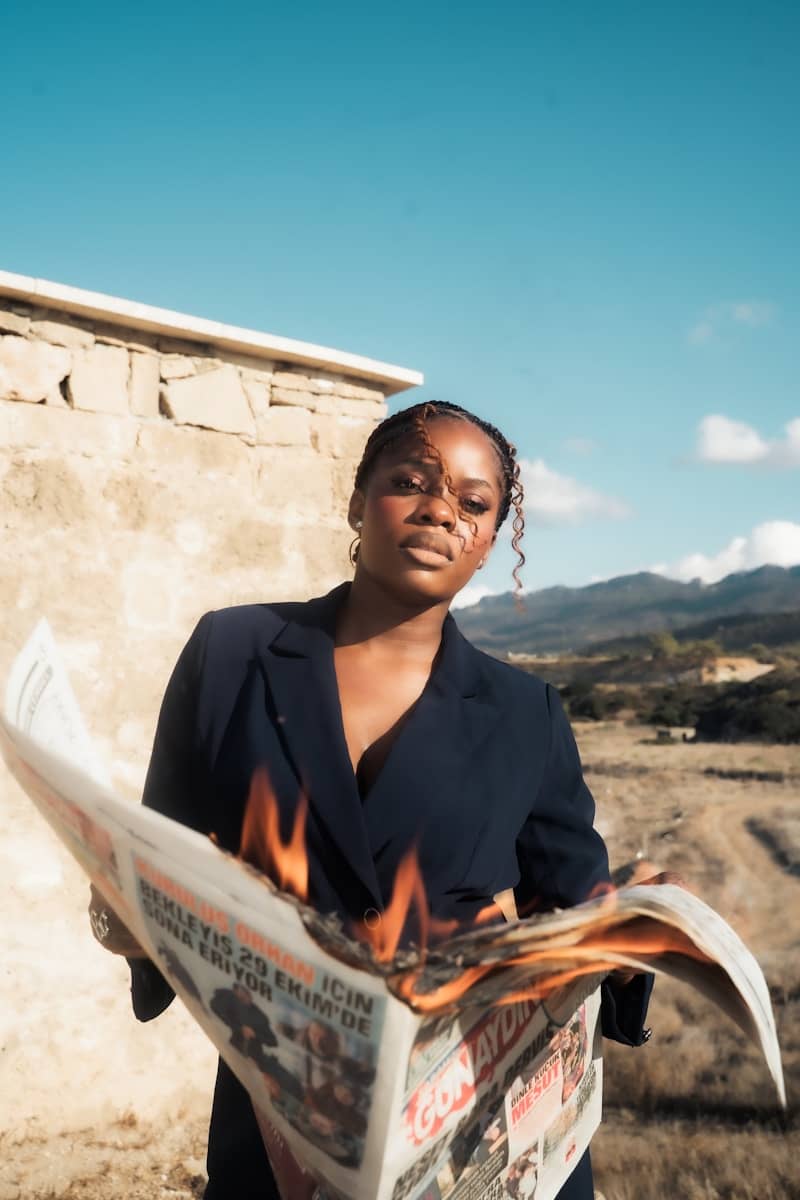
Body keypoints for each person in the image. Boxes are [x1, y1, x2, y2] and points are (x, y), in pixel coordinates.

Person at [89, 400, 654, 1200]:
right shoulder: (232, 653)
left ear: (490, 541)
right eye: (411, 482)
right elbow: (159, 859)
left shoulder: (528, 713)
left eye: (474, 502)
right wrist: (121, 914)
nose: (440, 511)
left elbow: (573, 907)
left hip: (475, 1120)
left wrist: (637, 938)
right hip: (280, 1115)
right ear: (358, 501)